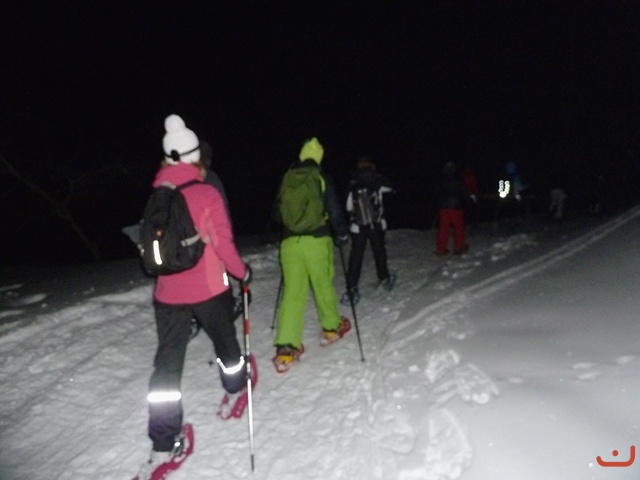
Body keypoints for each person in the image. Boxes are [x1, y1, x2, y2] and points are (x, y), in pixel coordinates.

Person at [137, 114, 252, 478]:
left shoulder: (158, 195)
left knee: (167, 365)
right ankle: (236, 388)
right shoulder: (206, 193)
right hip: (208, 288)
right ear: (195, 157)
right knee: (225, 340)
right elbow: (224, 244)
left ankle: (162, 442)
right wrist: (242, 273)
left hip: (167, 293)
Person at [272, 137, 351, 373]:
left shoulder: (288, 178)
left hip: (290, 244)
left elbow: (277, 214)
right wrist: (342, 235)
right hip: (317, 241)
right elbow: (334, 210)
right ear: (318, 158)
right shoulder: (321, 178)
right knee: (322, 284)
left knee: (293, 293)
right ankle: (331, 328)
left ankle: (286, 348)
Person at [340, 156, 395, 306]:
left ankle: (352, 288)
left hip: (357, 227)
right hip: (376, 225)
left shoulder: (353, 183)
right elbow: (391, 188)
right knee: (379, 251)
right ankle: (383, 278)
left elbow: (347, 206)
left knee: (356, 256)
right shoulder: (378, 181)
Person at [434, 161, 469, 255]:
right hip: (456, 207)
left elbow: (436, 194)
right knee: (458, 227)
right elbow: (465, 193)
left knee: (443, 228)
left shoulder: (441, 180)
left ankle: (441, 249)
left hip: (443, 207)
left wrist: (438, 204)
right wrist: (466, 203)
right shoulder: (459, 180)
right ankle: (459, 248)